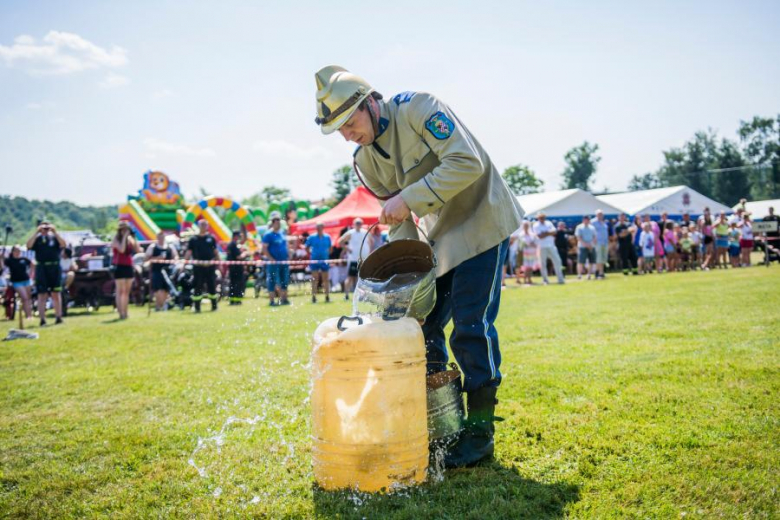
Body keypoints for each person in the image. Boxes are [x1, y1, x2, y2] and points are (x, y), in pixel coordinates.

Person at [314, 66, 524, 467]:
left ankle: (479, 436)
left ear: (369, 103)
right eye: (337, 129)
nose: (346, 134)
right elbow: (401, 224)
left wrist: (408, 198)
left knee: (470, 326)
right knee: (420, 330)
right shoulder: (364, 161)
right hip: (440, 243)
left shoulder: (419, 108)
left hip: (482, 223)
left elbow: (468, 162)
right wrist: (401, 277)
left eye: (349, 122)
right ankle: (442, 427)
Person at [26, 220, 66, 326]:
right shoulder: (37, 239)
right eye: (44, 227)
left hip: (54, 266)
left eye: (47, 227)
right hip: (41, 267)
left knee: (56, 293)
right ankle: (42, 319)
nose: (45, 229)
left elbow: (63, 244)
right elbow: (29, 245)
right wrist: (36, 232)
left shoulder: (54, 238)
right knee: (42, 294)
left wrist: (55, 232)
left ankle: (58, 317)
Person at [185, 219, 220, 312]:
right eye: (202, 225)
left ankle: (214, 306)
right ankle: (197, 307)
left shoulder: (211, 238)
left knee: (212, 286)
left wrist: (219, 262)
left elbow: (215, 252)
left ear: (207, 226)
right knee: (198, 286)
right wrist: (184, 262)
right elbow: (189, 252)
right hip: (198, 267)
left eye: (205, 225)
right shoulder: (193, 239)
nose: (203, 227)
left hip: (210, 266)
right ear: (199, 226)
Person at [338, 218, 372, 300]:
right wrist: (348, 249)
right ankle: (346, 294)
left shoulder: (365, 232)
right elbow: (340, 242)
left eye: (360, 223)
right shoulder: (351, 233)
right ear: (354, 224)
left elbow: (371, 241)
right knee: (351, 277)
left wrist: (369, 251)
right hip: (354, 259)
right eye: (357, 223)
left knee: (363, 277)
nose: (358, 225)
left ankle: (363, 295)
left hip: (364, 258)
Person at [111, 221, 138, 320]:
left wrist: (133, 237)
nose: (125, 231)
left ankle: (126, 312)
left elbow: (137, 249)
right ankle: (120, 312)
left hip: (129, 266)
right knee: (120, 290)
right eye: (123, 230)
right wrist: (124, 238)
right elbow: (122, 250)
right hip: (119, 266)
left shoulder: (130, 239)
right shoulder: (115, 239)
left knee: (126, 291)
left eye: (126, 229)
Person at [262, 212, 290, 306]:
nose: (277, 222)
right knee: (272, 281)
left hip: (283, 262)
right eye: (275, 220)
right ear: (272, 222)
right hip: (273, 263)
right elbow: (264, 249)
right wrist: (271, 259)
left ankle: (284, 299)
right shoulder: (268, 234)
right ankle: (272, 301)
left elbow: (285, 246)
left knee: (284, 281)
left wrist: (289, 255)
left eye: (278, 220)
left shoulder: (282, 233)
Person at [145, 231, 178, 311]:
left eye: (162, 237)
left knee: (166, 289)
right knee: (158, 289)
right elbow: (146, 259)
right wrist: (157, 258)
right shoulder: (153, 247)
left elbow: (176, 256)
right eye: (159, 237)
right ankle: (158, 306)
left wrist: (174, 261)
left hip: (168, 271)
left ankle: (162, 306)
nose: (161, 239)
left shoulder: (170, 247)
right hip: (156, 271)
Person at [0, 245, 33, 319]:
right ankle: (28, 315)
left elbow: (32, 264)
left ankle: (29, 314)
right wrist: (1, 258)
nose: (18, 252)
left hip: (26, 280)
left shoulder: (24, 259)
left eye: (19, 251)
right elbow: (2, 266)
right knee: (24, 298)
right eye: (16, 251)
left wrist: (31, 274)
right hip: (17, 282)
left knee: (28, 298)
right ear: (13, 252)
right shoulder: (10, 260)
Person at [532, 212, 564, 284]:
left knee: (557, 261)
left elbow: (554, 232)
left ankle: (560, 279)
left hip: (551, 245)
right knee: (543, 263)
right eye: (541, 217)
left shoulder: (548, 223)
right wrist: (549, 233)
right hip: (541, 246)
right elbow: (540, 236)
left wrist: (545, 233)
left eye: (543, 217)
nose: (542, 219)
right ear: (538, 218)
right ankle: (545, 280)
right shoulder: (536, 225)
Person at [305, 223, 332, 303]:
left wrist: (326, 255)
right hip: (314, 260)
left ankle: (327, 296)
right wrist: (312, 254)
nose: (318, 229)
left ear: (323, 228)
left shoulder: (327, 237)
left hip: (324, 260)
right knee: (314, 279)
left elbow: (330, 248)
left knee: (325, 279)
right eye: (317, 227)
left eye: (320, 227)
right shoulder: (312, 237)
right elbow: (306, 247)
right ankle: (314, 297)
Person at [226, 231, 247, 305]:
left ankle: (232, 300)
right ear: (235, 236)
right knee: (238, 284)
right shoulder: (233, 245)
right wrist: (245, 253)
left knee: (233, 284)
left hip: (233, 268)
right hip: (236, 269)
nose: (240, 238)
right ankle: (237, 301)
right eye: (239, 236)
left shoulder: (231, 244)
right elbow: (239, 257)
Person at [575, 215, 597, 280]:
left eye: (587, 219)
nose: (586, 221)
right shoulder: (579, 227)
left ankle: (589, 274)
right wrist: (586, 244)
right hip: (582, 246)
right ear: (583, 220)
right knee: (581, 261)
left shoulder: (592, 228)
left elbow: (594, 237)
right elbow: (578, 237)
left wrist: (591, 244)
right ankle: (579, 275)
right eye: (585, 219)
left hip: (591, 246)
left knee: (591, 261)